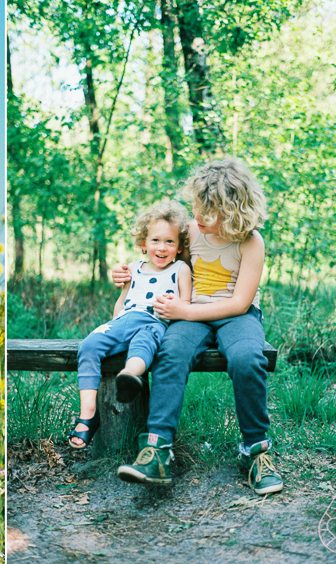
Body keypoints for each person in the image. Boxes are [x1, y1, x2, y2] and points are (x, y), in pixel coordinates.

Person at [113, 158, 282, 495]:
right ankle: (157, 450)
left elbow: (240, 303)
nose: (200, 217)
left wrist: (184, 312)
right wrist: (127, 276)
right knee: (171, 351)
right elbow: (161, 262)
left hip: (238, 316)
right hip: (189, 309)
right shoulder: (191, 232)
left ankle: (256, 451)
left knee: (248, 358)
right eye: (197, 207)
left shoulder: (251, 242)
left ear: (233, 210)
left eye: (210, 211)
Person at [69, 202, 192, 450]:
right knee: (89, 346)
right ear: (144, 244)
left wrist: (173, 307)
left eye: (170, 242)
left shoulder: (180, 269)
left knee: (143, 346)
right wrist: (114, 326)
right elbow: (122, 303)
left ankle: (129, 376)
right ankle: (88, 414)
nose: (162, 247)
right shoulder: (133, 269)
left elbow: (185, 305)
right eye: (155, 240)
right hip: (124, 320)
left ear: (179, 248)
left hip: (155, 321)